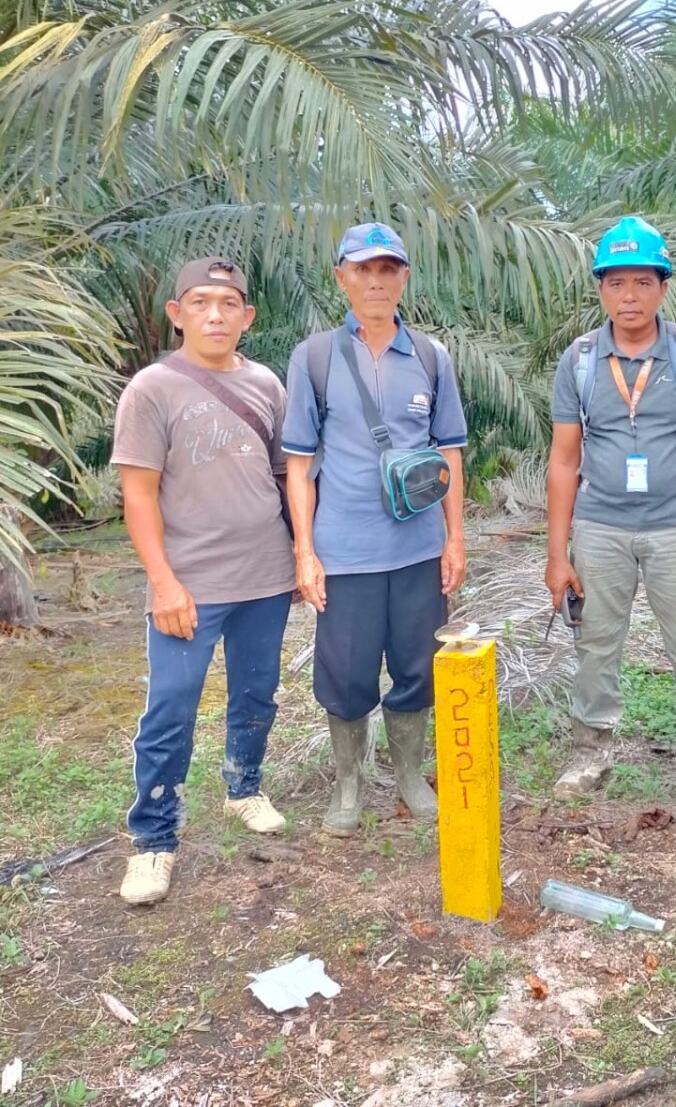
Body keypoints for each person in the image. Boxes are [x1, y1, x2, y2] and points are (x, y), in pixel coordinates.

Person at [113, 257, 296, 906]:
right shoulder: (152, 389)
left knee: (257, 691)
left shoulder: (267, 384)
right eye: (200, 302)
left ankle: (244, 787)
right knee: (171, 707)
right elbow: (139, 496)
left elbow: (287, 477)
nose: (215, 315)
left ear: (247, 316)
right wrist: (163, 583)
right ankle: (153, 838)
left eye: (228, 304)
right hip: (189, 584)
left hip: (266, 575)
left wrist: (302, 554)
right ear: (177, 313)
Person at [544, 216, 676, 809]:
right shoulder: (579, 360)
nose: (629, 295)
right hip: (600, 528)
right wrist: (557, 555)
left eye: (642, 282)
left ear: (663, 287)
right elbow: (563, 461)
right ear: (601, 289)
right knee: (595, 646)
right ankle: (590, 754)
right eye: (617, 283)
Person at [282, 223, 468, 835]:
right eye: (363, 269)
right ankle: (349, 784)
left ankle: (410, 776)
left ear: (404, 278)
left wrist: (454, 540)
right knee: (346, 673)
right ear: (342, 278)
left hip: (418, 550)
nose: (376, 281)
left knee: (418, 666)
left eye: (388, 269)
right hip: (346, 550)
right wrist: (305, 552)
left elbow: (450, 452)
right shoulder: (314, 358)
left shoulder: (432, 357)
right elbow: (300, 465)